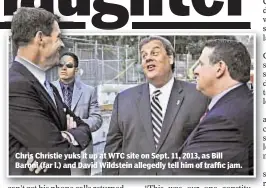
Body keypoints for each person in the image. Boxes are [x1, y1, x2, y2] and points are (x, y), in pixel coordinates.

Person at [103, 36, 209, 175]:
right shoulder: (123, 100)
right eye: (144, 55)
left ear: (170, 58)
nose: (148, 58)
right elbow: (112, 151)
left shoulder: (199, 97)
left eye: (154, 53)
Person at [9, 7, 92, 175]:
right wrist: (63, 140)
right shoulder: (15, 86)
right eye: (58, 37)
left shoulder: (49, 87)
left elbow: (85, 128)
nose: (61, 44)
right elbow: (57, 151)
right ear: (40, 38)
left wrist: (67, 136)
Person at [173, 39, 253, 175]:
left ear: (219, 68)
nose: (195, 70)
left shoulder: (224, 120)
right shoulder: (242, 102)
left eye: (201, 64)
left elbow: (187, 174)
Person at [52, 52, 103, 175]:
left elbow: (97, 119)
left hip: (81, 152)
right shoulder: (47, 89)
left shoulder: (89, 91)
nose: (64, 68)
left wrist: (78, 125)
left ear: (76, 70)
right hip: (54, 150)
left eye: (69, 65)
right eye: (60, 65)